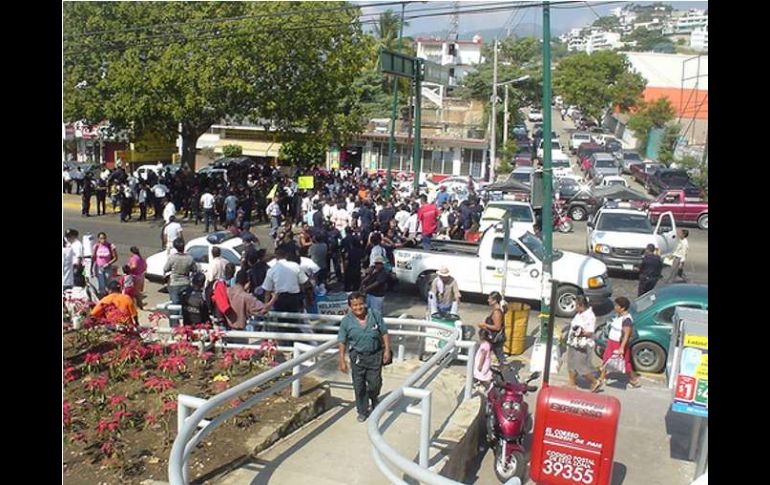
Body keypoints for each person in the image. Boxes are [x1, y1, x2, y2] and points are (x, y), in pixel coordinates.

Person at [337, 292, 392, 422]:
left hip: (375, 355)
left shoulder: (375, 315)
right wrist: (342, 360)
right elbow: (342, 341)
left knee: (375, 383)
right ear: (350, 307)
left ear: (365, 303)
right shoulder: (346, 321)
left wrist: (387, 351)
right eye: (354, 305)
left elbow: (384, 333)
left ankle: (374, 398)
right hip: (358, 358)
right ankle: (362, 410)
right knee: (359, 385)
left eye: (360, 304)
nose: (358, 307)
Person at [599, 297, 641, 389]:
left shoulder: (627, 320)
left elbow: (626, 334)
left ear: (622, 308)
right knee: (606, 359)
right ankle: (602, 378)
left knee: (625, 364)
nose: (615, 307)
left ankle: (633, 380)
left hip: (618, 344)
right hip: (611, 342)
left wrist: (621, 347)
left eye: (617, 306)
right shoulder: (619, 316)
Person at [565, 296, 602, 392]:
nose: (574, 307)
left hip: (582, 344)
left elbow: (590, 332)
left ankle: (594, 381)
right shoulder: (579, 314)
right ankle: (571, 382)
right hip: (573, 342)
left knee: (580, 366)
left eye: (576, 305)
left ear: (581, 305)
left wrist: (580, 332)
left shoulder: (590, 316)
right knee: (571, 363)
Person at [262, 247, 310, 313]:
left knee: (281, 320)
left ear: (276, 257)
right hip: (294, 298)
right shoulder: (295, 266)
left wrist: (266, 305)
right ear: (286, 255)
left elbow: (267, 290)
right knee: (295, 319)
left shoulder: (272, 270)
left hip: (279, 299)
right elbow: (305, 282)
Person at [163, 238, 197, 305]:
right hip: (186, 282)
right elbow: (195, 269)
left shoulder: (172, 258)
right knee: (186, 302)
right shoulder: (190, 258)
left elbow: (165, 269)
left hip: (174, 283)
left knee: (175, 303)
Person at [478, 291, 506, 364]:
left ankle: (507, 372)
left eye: (490, 299)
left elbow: (497, 327)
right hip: (493, 338)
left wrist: (485, 325)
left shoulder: (497, 312)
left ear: (495, 300)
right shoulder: (497, 309)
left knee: (500, 356)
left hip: (495, 339)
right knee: (487, 353)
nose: (488, 300)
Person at [91, 232, 118, 297]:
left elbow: (115, 258)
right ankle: (102, 297)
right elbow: (93, 258)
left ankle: (108, 296)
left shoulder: (110, 246)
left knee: (108, 284)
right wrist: (91, 268)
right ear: (98, 239)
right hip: (99, 267)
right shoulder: (96, 246)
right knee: (101, 284)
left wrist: (108, 263)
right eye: (101, 238)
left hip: (107, 267)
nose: (103, 240)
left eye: (104, 238)